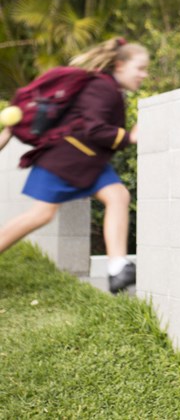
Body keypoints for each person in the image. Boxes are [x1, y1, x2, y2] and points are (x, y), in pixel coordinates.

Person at [0, 37, 149, 294]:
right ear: (120, 65)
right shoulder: (102, 88)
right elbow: (94, 129)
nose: (144, 75)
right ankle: (117, 266)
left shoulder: (109, 88)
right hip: (66, 159)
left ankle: (117, 267)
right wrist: (129, 137)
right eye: (140, 69)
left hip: (88, 162)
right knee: (40, 215)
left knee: (118, 196)